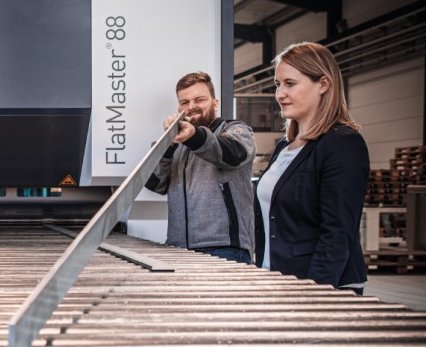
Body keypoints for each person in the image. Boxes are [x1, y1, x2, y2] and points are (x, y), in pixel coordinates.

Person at [254, 41, 369, 292]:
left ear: (323, 84)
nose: (279, 94)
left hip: (322, 285)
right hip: (278, 280)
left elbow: (337, 233)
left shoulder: (342, 144)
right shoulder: (284, 147)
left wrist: (313, 294)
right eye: (278, 84)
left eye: (290, 83)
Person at [145, 71, 256, 263]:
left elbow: (233, 154)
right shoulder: (177, 142)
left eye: (199, 100)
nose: (191, 107)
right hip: (178, 249)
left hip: (225, 248)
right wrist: (168, 141)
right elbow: (154, 183)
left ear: (215, 103)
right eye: (184, 102)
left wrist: (194, 136)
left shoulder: (236, 130)